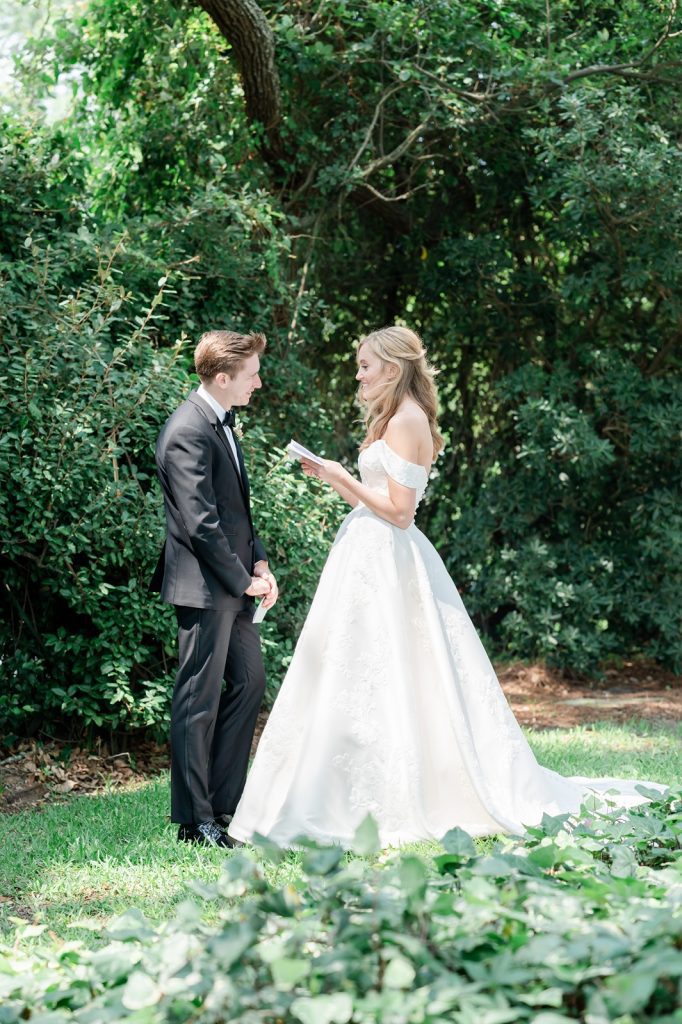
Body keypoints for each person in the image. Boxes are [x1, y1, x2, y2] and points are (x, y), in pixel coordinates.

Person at [229, 325, 664, 847]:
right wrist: (337, 479)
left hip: (389, 558)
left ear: (392, 368)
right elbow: (376, 502)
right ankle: (334, 787)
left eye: (365, 366)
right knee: (352, 666)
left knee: (395, 668)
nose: (358, 375)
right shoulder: (392, 418)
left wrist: (340, 476)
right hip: (365, 556)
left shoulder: (407, 420)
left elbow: (400, 513)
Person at [152, 329, 278, 848]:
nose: (258, 383)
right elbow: (200, 523)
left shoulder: (221, 422)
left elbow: (234, 510)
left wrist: (260, 561)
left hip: (234, 582)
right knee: (196, 701)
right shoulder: (187, 429)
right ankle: (195, 821)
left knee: (250, 682)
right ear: (223, 378)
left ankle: (226, 803)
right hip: (204, 588)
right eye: (251, 375)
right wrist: (243, 580)